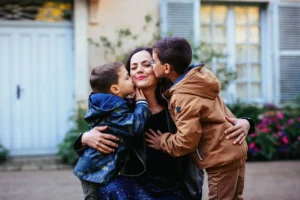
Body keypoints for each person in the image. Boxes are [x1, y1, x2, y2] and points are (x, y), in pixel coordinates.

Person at [73, 47, 254, 200]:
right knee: (110, 189)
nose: (140, 70)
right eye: (133, 68)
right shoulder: (122, 113)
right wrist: (84, 138)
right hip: (138, 187)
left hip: (178, 188)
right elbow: (97, 141)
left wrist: (245, 123)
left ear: (160, 70)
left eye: (147, 64)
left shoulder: (179, 102)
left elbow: (218, 116)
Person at [147, 36, 250, 200]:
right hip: (234, 149)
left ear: (167, 68)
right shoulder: (199, 79)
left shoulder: (183, 98)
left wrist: (162, 142)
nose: (151, 66)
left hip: (219, 158)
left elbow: (187, 140)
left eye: (153, 62)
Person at [73, 62, 152, 200]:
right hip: (94, 172)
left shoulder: (109, 104)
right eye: (127, 77)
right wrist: (141, 104)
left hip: (97, 170)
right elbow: (134, 126)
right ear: (115, 89)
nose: (131, 79)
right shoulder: (114, 107)